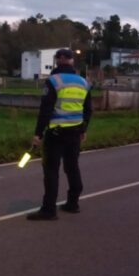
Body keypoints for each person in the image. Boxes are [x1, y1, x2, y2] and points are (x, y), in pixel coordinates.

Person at [27, 49, 92, 221]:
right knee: (72, 167)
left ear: (59, 60)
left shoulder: (54, 81)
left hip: (56, 134)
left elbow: (45, 110)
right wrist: (83, 130)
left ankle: (49, 210)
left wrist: (37, 134)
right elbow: (88, 110)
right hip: (75, 133)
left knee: (51, 171)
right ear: (71, 61)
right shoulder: (83, 82)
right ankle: (73, 204)